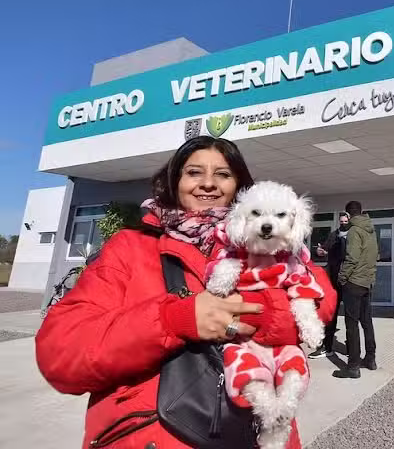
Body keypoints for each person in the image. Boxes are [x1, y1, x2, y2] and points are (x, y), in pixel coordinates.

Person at [34, 136, 337, 449]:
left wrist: (266, 317)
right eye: (194, 172)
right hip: (151, 434)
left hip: (252, 432)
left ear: (239, 188)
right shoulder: (130, 247)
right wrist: (174, 320)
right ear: (174, 180)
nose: (208, 183)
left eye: (223, 174)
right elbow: (61, 354)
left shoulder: (277, 247)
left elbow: (322, 300)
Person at [333, 201, 378, 379]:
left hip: (353, 283)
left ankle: (353, 366)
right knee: (366, 322)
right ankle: (370, 359)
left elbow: (351, 258)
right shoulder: (371, 230)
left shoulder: (354, 231)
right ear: (362, 212)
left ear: (349, 215)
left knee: (351, 325)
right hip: (367, 282)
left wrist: (342, 278)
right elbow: (376, 255)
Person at [308, 211, 350, 359]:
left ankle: (352, 347)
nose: (343, 224)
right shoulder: (334, 235)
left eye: (346, 222)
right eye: (342, 222)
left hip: (349, 281)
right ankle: (327, 347)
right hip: (333, 280)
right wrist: (321, 251)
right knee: (330, 314)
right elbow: (324, 250)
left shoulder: (355, 237)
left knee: (352, 317)